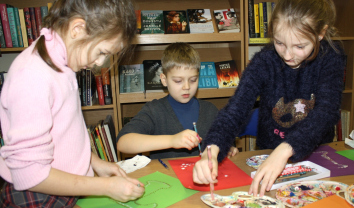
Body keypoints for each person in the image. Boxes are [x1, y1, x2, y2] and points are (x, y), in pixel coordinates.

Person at [193, 0, 346, 197]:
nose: (288, 55)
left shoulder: (331, 57)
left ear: (320, 33)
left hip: (316, 154)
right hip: (268, 152)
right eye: (280, 43)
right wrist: (210, 151)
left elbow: (326, 112)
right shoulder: (265, 61)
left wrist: (285, 150)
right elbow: (235, 110)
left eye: (299, 46)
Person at [0, 0, 144, 207]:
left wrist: (95, 163)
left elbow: (66, 131)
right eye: (102, 52)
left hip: (62, 188)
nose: (100, 63)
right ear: (77, 28)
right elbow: (31, 175)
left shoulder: (61, 62)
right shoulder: (32, 76)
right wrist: (106, 187)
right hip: (38, 196)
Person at [117, 42, 238, 159]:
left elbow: (224, 141)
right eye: (178, 81)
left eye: (193, 80)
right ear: (164, 80)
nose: (186, 87)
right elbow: (123, 142)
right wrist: (172, 140)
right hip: (167, 178)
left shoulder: (210, 110)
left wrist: (227, 148)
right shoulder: (154, 110)